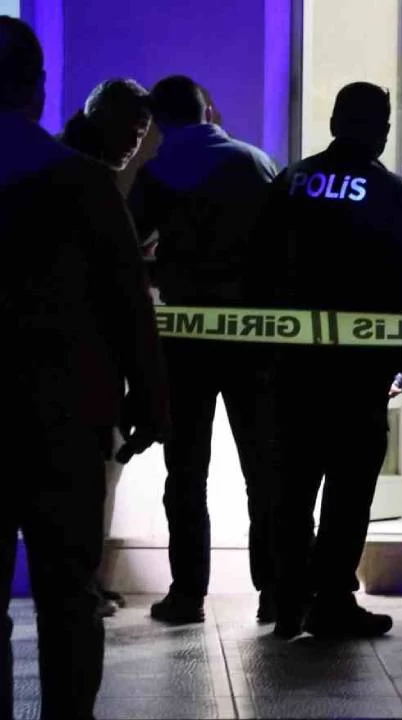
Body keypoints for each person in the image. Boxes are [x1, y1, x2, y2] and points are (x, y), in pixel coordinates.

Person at [0, 15, 168, 719]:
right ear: (38, 88)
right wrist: (149, 399)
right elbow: (128, 304)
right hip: (63, 416)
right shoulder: (83, 183)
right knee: (69, 595)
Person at [255, 82, 402, 640]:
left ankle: (286, 600)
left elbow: (256, 264)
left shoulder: (292, 180)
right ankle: (331, 599)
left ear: (333, 122)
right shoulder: (394, 195)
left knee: (290, 486)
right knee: (348, 490)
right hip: (359, 372)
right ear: (381, 131)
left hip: (290, 367)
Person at [129, 75, 280, 626]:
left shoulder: (159, 172)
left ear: (161, 122)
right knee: (264, 468)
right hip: (254, 338)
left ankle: (188, 594)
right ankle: (276, 591)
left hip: (186, 340)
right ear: (208, 112)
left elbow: (127, 241)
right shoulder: (255, 162)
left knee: (186, 472)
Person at [58, 77, 154, 620]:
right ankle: (83, 589)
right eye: (130, 130)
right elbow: (123, 298)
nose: (134, 143)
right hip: (82, 372)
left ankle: (85, 585)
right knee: (86, 486)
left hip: (62, 368)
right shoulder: (89, 184)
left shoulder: (61, 170)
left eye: (142, 133)